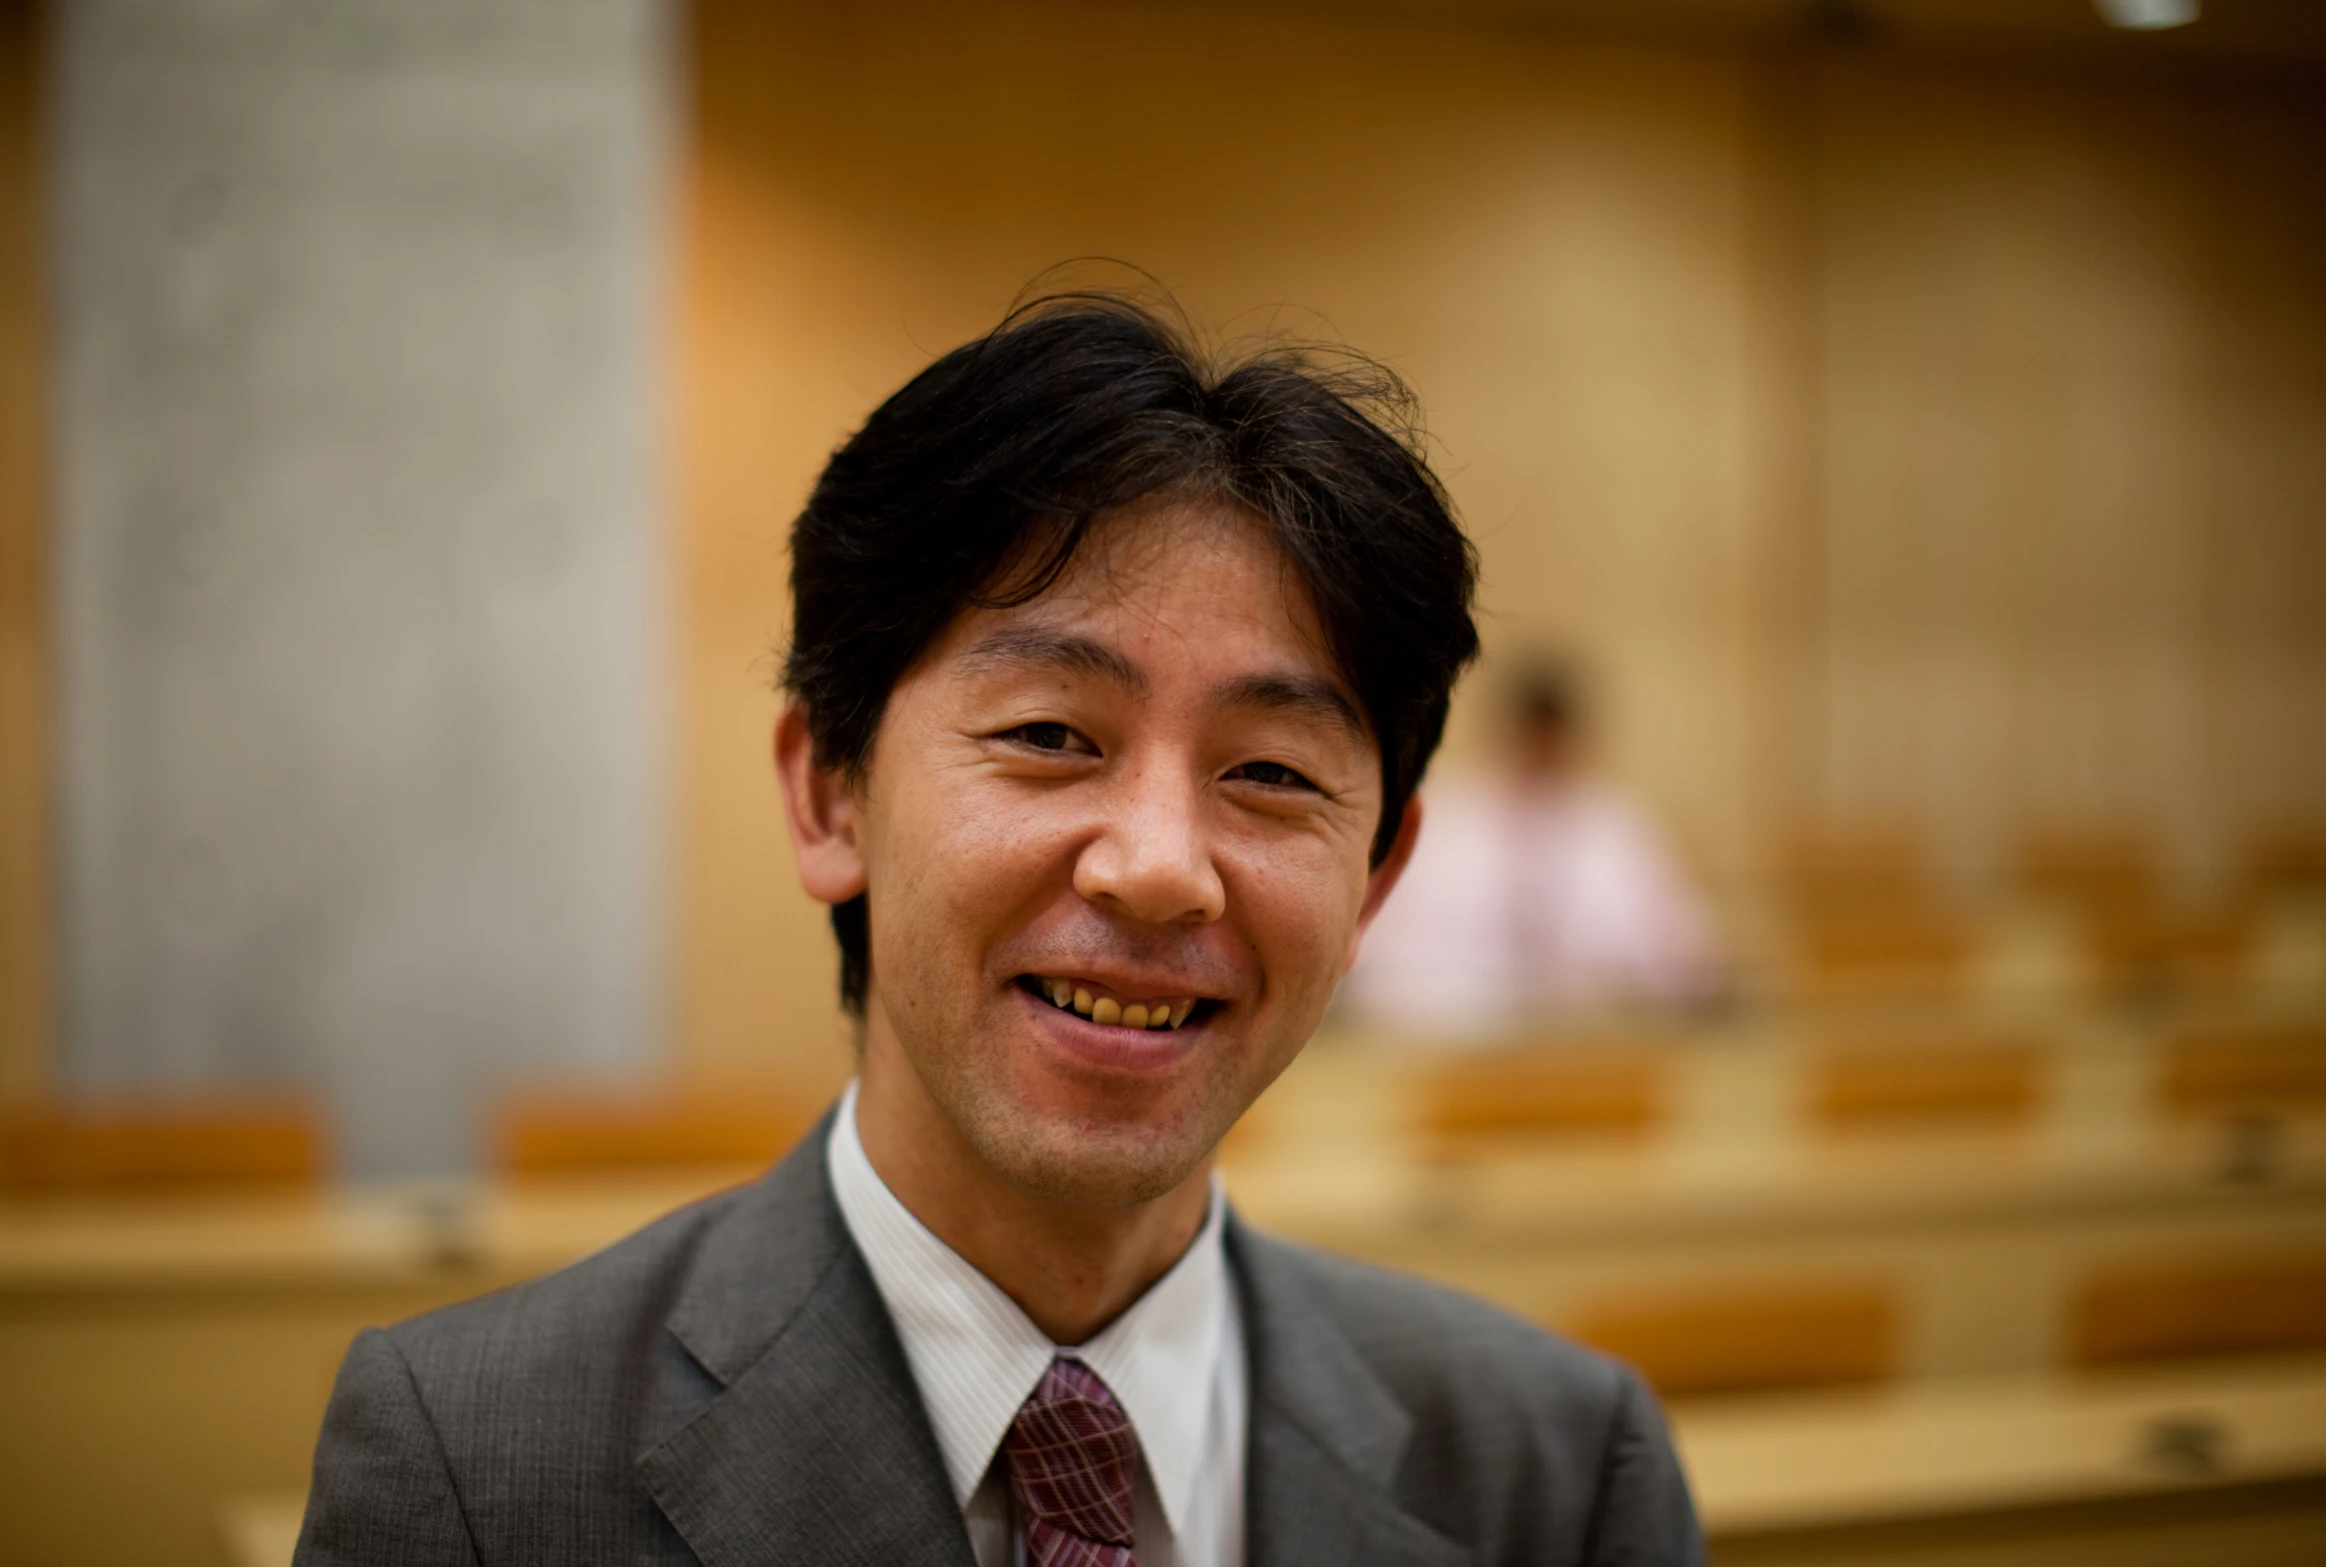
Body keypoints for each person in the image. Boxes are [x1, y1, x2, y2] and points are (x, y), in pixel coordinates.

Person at [294, 296, 1701, 1565]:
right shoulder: (471, 1475)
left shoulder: (1559, 1473)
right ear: (828, 792)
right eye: (1048, 733)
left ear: (1376, 877)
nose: (1158, 870)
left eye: (1268, 770)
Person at [1349, 662, 1726, 1036]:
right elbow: (1383, 964)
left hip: (1598, 1050)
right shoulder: (1447, 822)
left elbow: (1682, 957)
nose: (1541, 754)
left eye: (1552, 742)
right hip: (1460, 1050)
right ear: (1508, 737)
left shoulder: (1617, 828)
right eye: (1532, 740)